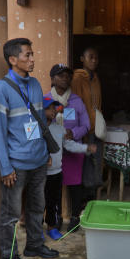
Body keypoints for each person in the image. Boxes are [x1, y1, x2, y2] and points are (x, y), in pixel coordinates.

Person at [0, 38, 60, 259]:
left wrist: (45, 151)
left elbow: (40, 123)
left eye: (32, 54)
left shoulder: (36, 84)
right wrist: (5, 167)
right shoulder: (1, 89)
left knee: (37, 207)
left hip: (38, 161)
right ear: (12, 59)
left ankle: (34, 245)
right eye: (27, 55)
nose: (32, 59)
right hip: (16, 165)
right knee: (10, 215)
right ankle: (9, 257)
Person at [43, 97, 96, 240]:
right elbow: (32, 147)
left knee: (53, 202)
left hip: (56, 172)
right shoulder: (35, 127)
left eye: (55, 108)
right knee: (38, 204)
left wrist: (86, 148)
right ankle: (35, 231)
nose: (54, 111)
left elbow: (69, 145)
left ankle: (51, 228)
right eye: (50, 108)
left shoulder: (59, 129)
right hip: (39, 174)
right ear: (40, 110)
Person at [46, 63, 90, 233]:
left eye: (67, 75)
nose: (65, 78)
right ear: (53, 79)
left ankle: (74, 217)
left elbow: (86, 125)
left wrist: (74, 133)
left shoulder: (77, 101)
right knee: (53, 186)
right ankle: (54, 219)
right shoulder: (46, 100)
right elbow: (40, 122)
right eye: (61, 75)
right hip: (53, 150)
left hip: (73, 149)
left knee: (74, 185)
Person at [71, 47, 104, 202]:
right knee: (85, 164)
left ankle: (92, 195)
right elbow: (75, 106)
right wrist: (79, 131)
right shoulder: (77, 79)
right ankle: (84, 200)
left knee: (96, 162)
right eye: (90, 57)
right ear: (82, 59)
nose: (94, 60)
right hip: (84, 129)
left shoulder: (96, 78)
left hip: (96, 129)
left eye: (96, 58)